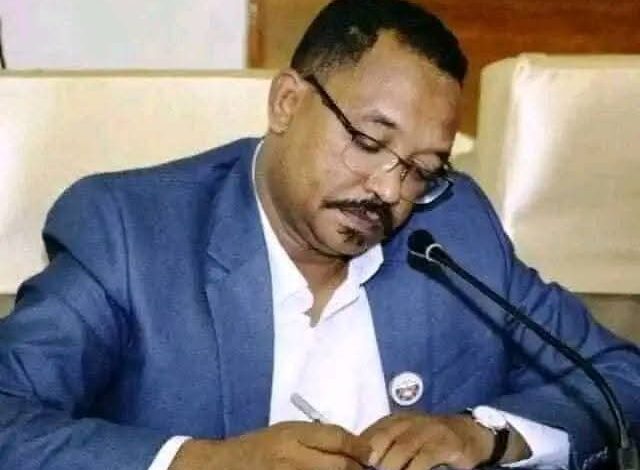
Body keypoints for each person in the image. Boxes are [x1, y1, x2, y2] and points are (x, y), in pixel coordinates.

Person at [0, 1, 638, 469]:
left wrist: (485, 434)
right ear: (286, 103)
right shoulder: (128, 231)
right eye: (368, 141)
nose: (389, 190)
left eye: (421, 169)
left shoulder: (453, 226)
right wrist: (204, 462)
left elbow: (620, 377)